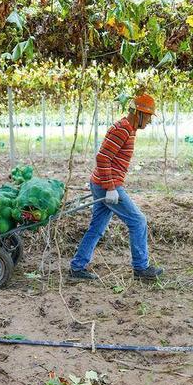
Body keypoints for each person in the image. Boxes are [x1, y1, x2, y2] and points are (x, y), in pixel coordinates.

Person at [69, 94, 164, 280]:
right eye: (149, 116)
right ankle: (141, 268)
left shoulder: (129, 128)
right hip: (107, 184)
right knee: (138, 221)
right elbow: (103, 157)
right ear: (139, 114)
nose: (150, 121)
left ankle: (77, 267)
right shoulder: (123, 129)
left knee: (96, 227)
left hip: (103, 182)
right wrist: (111, 188)